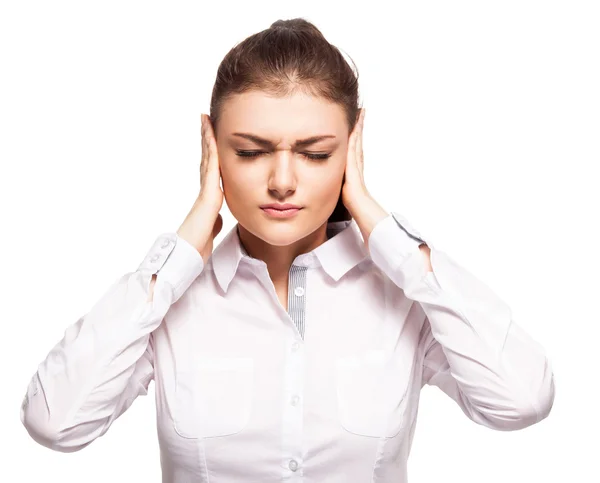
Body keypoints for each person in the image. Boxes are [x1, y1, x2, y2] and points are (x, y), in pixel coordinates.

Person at [20, 17, 555, 483]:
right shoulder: (167, 304)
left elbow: (522, 400)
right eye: (251, 152)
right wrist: (181, 252)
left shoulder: (405, 294)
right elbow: (55, 423)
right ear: (212, 146)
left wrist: (380, 225)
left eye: (316, 154)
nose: (282, 181)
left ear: (354, 144)